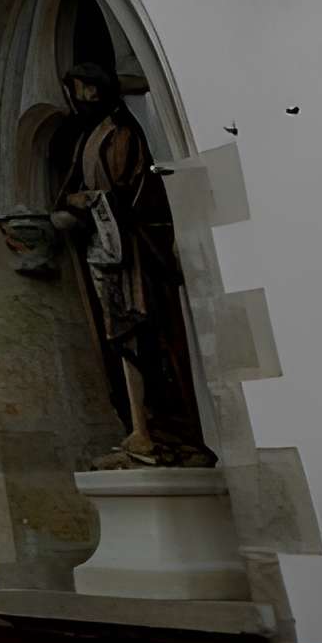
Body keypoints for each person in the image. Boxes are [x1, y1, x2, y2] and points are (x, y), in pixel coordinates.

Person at [49, 65, 214, 468]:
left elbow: (134, 196)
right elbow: (72, 191)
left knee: (141, 338)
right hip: (104, 255)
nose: (81, 98)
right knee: (117, 343)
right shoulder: (87, 139)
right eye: (76, 91)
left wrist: (91, 204)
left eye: (87, 88)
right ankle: (137, 426)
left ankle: (161, 431)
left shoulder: (121, 134)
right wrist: (75, 203)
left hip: (134, 257)